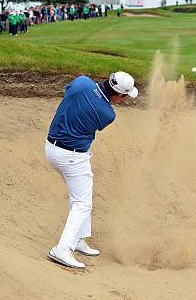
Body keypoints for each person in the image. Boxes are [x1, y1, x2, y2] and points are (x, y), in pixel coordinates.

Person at [46, 72, 138, 269]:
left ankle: (78, 239)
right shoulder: (107, 114)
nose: (123, 101)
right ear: (117, 95)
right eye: (124, 97)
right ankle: (63, 249)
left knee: (80, 195)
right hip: (72, 157)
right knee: (82, 203)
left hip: (51, 148)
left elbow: (69, 93)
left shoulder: (81, 82)